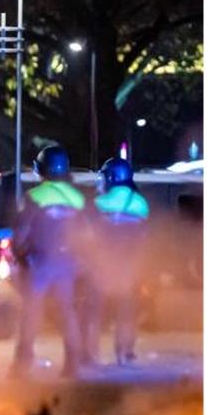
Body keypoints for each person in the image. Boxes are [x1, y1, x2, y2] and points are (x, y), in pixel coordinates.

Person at [10, 145, 89, 378]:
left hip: (39, 264)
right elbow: (86, 235)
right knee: (67, 312)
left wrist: (20, 256)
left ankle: (21, 367)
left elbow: (21, 233)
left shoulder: (34, 196)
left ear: (40, 168)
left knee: (31, 313)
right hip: (67, 264)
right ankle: (72, 365)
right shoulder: (76, 198)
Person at [81, 157, 150, 366]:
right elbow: (144, 238)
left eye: (103, 177)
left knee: (93, 312)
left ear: (111, 178)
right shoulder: (140, 203)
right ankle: (125, 353)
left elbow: (85, 236)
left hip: (100, 267)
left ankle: (90, 354)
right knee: (127, 311)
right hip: (128, 268)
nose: (100, 181)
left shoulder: (98, 204)